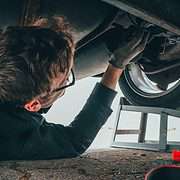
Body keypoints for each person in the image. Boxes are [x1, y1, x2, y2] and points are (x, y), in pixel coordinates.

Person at [0, 17, 148, 160]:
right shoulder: (13, 140)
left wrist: (117, 64)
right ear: (32, 105)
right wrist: (116, 65)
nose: (65, 84)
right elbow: (75, 139)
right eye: (65, 82)